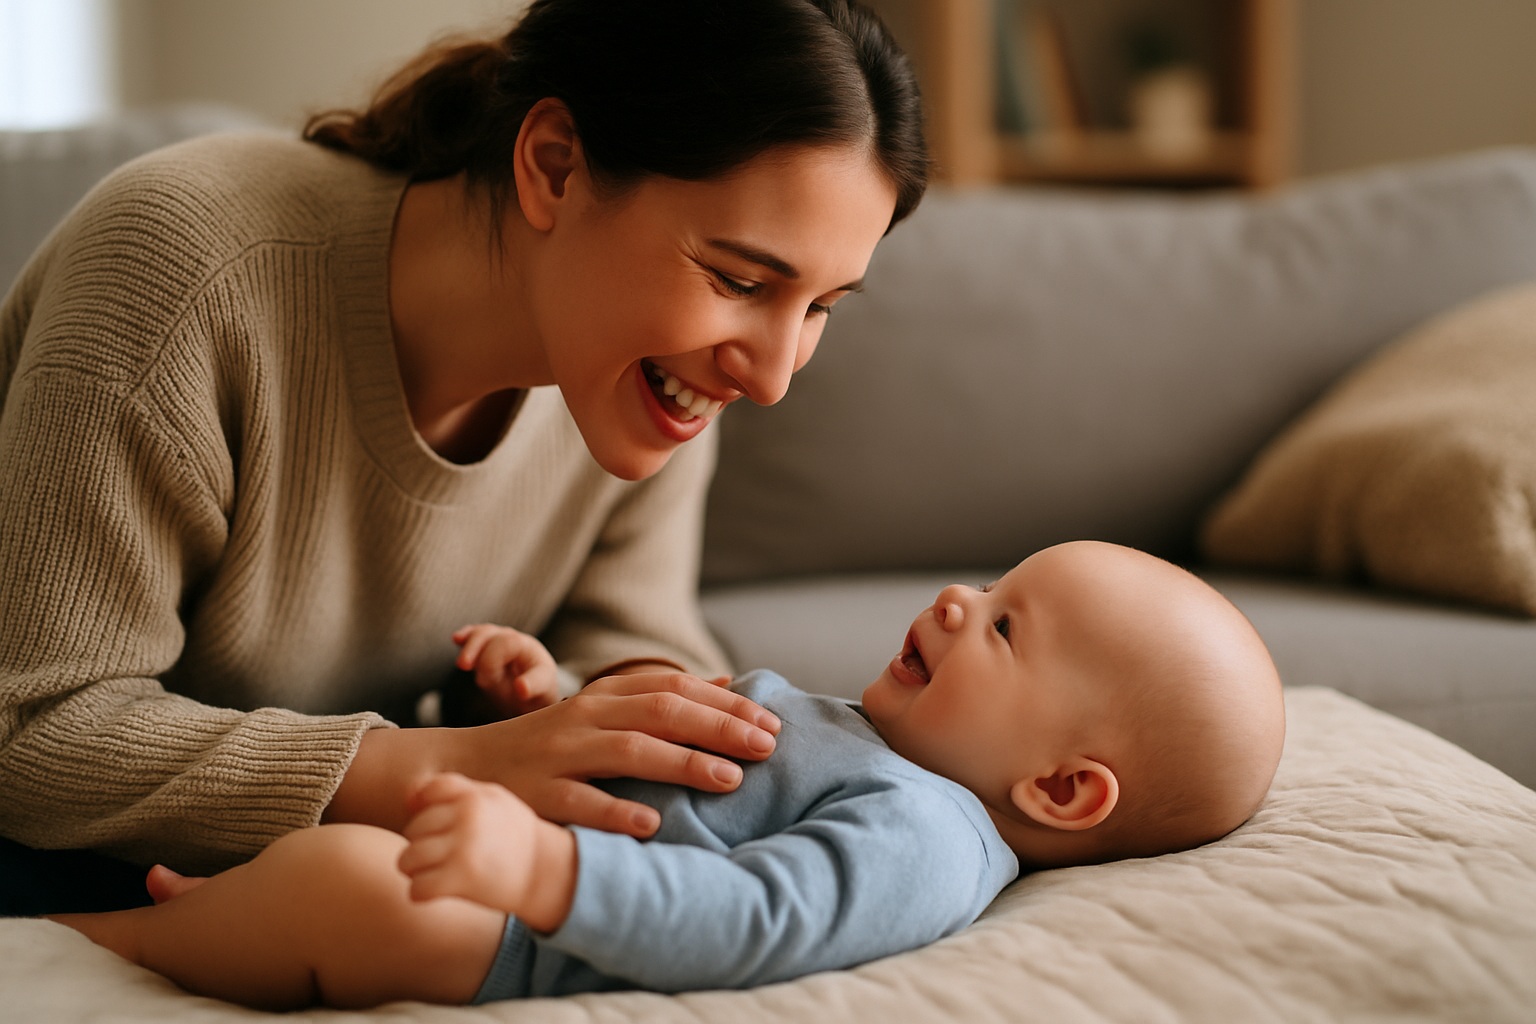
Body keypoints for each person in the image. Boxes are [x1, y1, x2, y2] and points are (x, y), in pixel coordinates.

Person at [0, 0, 928, 915]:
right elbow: (31, 731)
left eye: (819, 309)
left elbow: (633, 642)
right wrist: (452, 765)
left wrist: (567, 709)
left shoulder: (654, 375)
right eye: (739, 280)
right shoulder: (185, 267)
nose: (771, 377)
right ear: (554, 167)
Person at [51, 541, 1287, 1009]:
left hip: (522, 935)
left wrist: (541, 871)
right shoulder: (866, 728)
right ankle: (211, 913)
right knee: (337, 846)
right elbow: (665, 749)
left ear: (1063, 792)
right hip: (511, 836)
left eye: (1009, 628)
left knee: (355, 886)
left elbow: (755, 917)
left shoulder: (928, 831)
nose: (962, 599)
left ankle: (114, 939)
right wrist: (550, 701)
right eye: (995, 583)